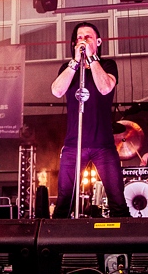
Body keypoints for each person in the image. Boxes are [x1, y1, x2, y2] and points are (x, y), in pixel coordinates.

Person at [51, 22, 130, 218]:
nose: (83, 40)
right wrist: (74, 63)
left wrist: (92, 59)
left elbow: (105, 88)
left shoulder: (107, 65)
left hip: (103, 144)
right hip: (73, 145)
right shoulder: (67, 67)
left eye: (88, 37)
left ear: (98, 42)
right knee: (63, 201)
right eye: (79, 37)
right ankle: (57, 246)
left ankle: (123, 246)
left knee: (118, 201)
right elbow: (56, 91)